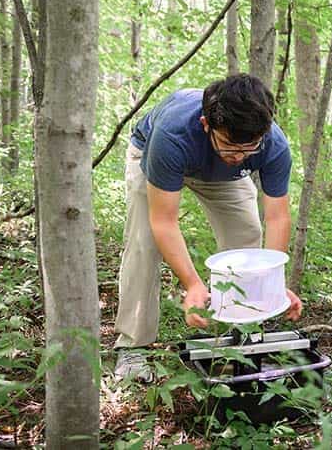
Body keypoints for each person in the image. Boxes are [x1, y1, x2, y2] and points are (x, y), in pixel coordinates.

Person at [114, 74, 303, 382]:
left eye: (249, 147)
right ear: (206, 124)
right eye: (231, 144)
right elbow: (164, 221)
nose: (239, 155)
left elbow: (277, 218)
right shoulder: (173, 134)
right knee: (144, 244)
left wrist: (273, 283)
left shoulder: (272, 145)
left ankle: (241, 330)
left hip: (223, 176)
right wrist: (193, 284)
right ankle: (133, 347)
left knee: (247, 238)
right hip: (156, 158)